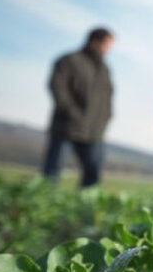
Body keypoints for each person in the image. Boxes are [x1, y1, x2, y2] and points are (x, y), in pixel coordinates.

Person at [42, 27, 114, 188]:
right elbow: (57, 87)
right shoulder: (69, 60)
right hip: (67, 126)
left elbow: (108, 96)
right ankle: (42, 208)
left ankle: (84, 210)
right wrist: (71, 112)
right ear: (95, 42)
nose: (109, 49)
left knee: (93, 174)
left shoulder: (104, 69)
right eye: (107, 44)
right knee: (52, 171)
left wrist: (107, 116)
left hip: (94, 131)